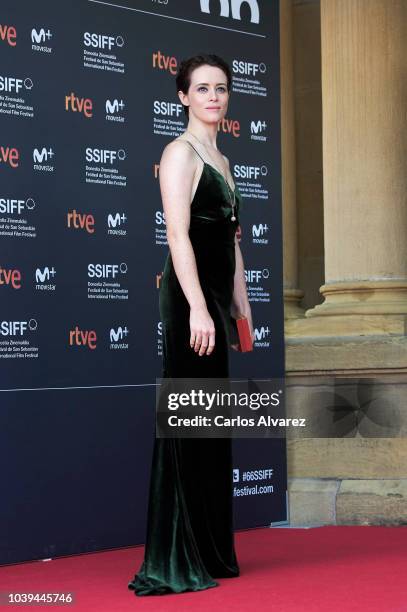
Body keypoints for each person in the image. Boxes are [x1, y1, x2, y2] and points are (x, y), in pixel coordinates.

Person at [128, 53, 254, 596]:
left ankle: (208, 549)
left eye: (220, 89)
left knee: (211, 428)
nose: (213, 97)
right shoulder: (178, 154)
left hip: (215, 304)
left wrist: (242, 306)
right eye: (202, 88)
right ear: (183, 96)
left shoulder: (223, 161)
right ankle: (176, 556)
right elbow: (178, 237)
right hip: (186, 304)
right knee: (188, 422)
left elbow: (230, 242)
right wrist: (200, 307)